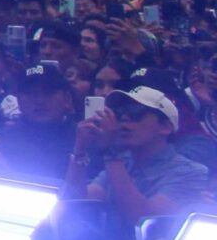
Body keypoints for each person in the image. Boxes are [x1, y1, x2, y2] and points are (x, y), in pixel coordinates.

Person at [71, 83, 212, 223]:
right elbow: (76, 203)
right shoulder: (123, 163)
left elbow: (144, 220)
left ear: (165, 127)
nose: (125, 118)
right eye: (120, 112)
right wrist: (79, 150)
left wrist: (111, 152)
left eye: (135, 112)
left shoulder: (190, 172)